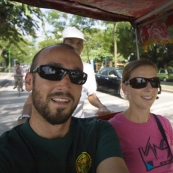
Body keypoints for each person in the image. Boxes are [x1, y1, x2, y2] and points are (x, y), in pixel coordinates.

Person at [0, 44, 130, 173]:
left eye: (76, 76)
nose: (66, 85)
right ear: (29, 81)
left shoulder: (97, 132)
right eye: (52, 72)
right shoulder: (6, 150)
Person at [18, 26, 111, 122]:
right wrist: (25, 116)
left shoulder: (87, 68)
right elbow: (35, 94)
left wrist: (101, 106)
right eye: (71, 41)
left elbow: (91, 94)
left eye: (77, 76)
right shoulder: (48, 62)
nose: (65, 86)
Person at [108, 59, 173, 173]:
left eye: (154, 82)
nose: (149, 89)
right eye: (139, 82)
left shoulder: (164, 123)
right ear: (125, 88)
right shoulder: (111, 130)